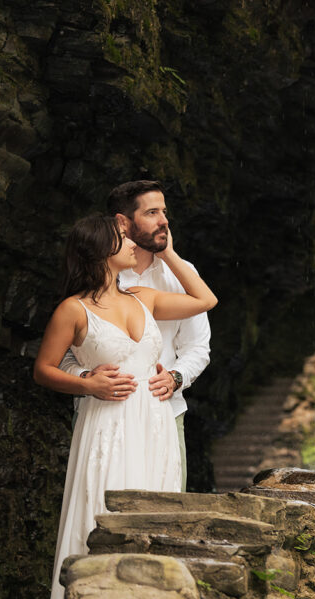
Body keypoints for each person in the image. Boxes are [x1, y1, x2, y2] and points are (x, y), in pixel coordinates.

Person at [34, 214, 217, 599]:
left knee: (156, 511)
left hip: (156, 424)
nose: (134, 242)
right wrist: (87, 383)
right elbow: (43, 370)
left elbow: (205, 299)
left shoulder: (144, 297)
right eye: (123, 238)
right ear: (100, 249)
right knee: (103, 508)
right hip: (108, 424)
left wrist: (167, 252)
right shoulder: (73, 310)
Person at [60, 180, 211, 492]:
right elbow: (63, 354)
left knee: (165, 514)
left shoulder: (183, 273)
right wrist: (88, 377)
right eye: (152, 212)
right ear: (123, 222)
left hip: (165, 412)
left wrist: (176, 377)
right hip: (104, 415)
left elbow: (198, 347)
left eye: (165, 212)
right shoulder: (95, 276)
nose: (164, 221)